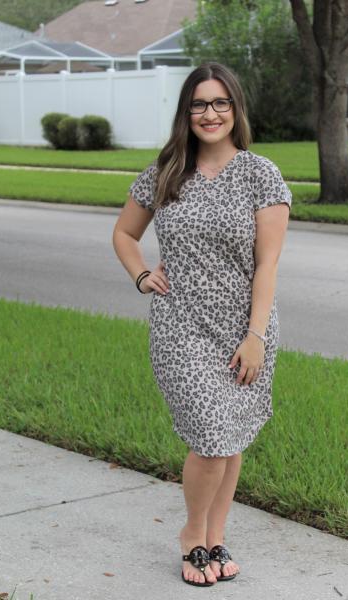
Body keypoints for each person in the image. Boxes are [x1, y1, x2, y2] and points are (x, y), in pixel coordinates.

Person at [112, 61, 292, 587]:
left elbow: (268, 264)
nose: (209, 114)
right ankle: (192, 536)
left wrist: (255, 336)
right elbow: (124, 234)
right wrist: (143, 276)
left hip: (245, 329)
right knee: (212, 435)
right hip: (180, 328)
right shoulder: (166, 171)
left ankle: (216, 536)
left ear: (235, 109)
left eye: (220, 103)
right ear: (185, 112)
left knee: (230, 438)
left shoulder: (261, 174)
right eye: (198, 104)